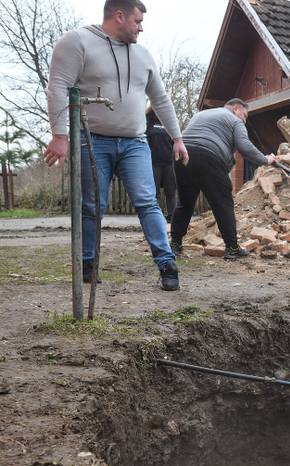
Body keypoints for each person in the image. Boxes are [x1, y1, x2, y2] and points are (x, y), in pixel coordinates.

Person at [44, 0, 187, 291]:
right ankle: (87, 263)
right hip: (92, 140)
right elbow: (58, 85)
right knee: (93, 206)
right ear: (119, 16)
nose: (141, 27)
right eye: (137, 21)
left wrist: (177, 138)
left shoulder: (144, 56)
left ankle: (167, 263)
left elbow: (161, 100)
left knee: (148, 202)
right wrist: (60, 135)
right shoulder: (78, 42)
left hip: (135, 142)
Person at [169, 98, 277, 260]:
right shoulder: (234, 120)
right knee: (223, 203)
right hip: (209, 156)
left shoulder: (202, 114)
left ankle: (175, 245)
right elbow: (245, 146)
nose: (245, 120)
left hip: (182, 155)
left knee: (185, 203)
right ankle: (232, 248)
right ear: (235, 109)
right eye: (245, 115)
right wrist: (266, 159)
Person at [146, 108, 177, 221]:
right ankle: (154, 217)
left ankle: (172, 216)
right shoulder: (147, 122)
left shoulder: (168, 122)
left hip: (169, 163)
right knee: (154, 192)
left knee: (170, 191)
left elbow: (175, 141)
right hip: (153, 163)